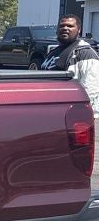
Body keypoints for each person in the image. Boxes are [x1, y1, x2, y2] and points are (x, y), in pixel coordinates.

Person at [41, 14, 99, 189]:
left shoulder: (85, 53)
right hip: (52, 116)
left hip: (73, 119)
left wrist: (83, 116)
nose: (65, 28)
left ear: (78, 30)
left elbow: (91, 88)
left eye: (70, 26)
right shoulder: (54, 53)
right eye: (62, 26)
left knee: (76, 161)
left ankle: (77, 192)